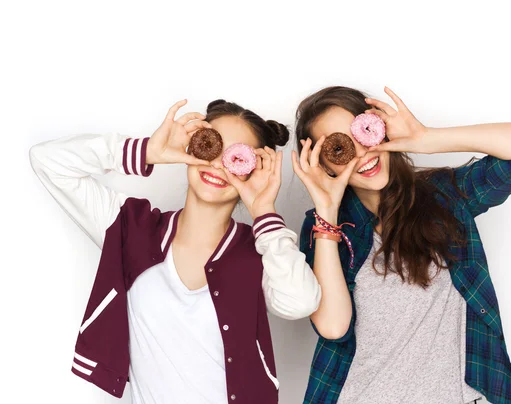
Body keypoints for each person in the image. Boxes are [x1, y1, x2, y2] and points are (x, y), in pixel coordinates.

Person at [30, 99, 322, 404]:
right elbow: (47, 160)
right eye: (210, 146)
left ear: (254, 170)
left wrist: (264, 211)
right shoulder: (132, 229)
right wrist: (146, 152)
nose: (217, 165)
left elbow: (300, 302)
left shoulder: (261, 252)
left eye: (236, 158)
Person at [292, 86, 511, 404]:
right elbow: (333, 327)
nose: (361, 154)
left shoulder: (444, 197)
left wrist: (426, 138)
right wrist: (327, 212)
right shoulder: (323, 228)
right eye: (339, 148)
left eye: (364, 133)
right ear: (322, 165)